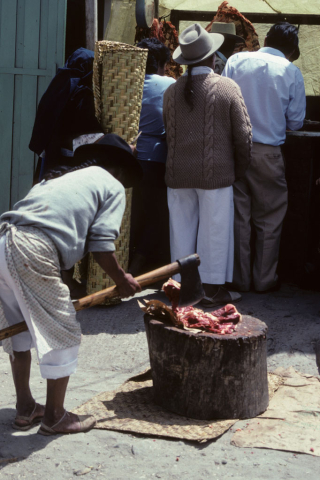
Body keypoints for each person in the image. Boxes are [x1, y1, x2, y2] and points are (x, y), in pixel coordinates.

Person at [0, 134, 143, 435]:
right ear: (119, 169)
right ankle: (55, 416)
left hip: (4, 242)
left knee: (19, 331)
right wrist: (122, 279)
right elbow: (102, 244)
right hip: (31, 249)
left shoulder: (63, 178)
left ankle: (26, 407)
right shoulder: (111, 185)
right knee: (64, 331)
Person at [163, 24, 252, 307]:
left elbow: (170, 133)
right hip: (215, 174)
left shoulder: (171, 91)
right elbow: (244, 137)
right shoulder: (226, 87)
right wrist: (238, 170)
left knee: (181, 233)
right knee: (214, 233)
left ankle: (181, 289)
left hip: (178, 174)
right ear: (213, 57)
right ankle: (212, 292)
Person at [222, 22, 306, 292]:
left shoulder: (236, 60)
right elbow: (296, 121)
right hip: (268, 153)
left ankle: (240, 279)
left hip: (234, 150)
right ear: (292, 50)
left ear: (266, 37)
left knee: (239, 216)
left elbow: (221, 100)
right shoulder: (291, 71)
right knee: (269, 218)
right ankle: (264, 279)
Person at [129, 38, 176, 276]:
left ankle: (127, 259)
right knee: (157, 212)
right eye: (165, 64)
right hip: (156, 159)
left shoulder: (125, 81)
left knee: (132, 211)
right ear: (158, 62)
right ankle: (140, 261)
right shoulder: (169, 84)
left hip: (126, 158)